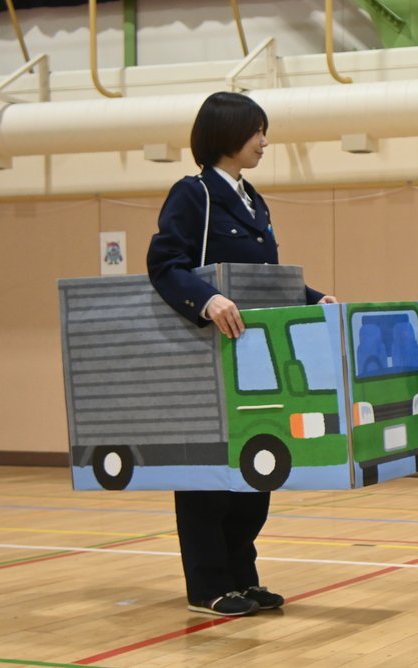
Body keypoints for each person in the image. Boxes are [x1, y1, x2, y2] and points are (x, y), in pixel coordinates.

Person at [147, 91, 336, 617]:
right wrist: (206, 300)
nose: (264, 141)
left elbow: (263, 282)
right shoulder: (193, 195)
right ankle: (208, 585)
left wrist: (312, 299)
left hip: (253, 359)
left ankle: (241, 578)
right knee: (208, 480)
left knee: (255, 475)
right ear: (227, 133)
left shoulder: (255, 200)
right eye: (256, 131)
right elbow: (164, 264)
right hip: (205, 357)